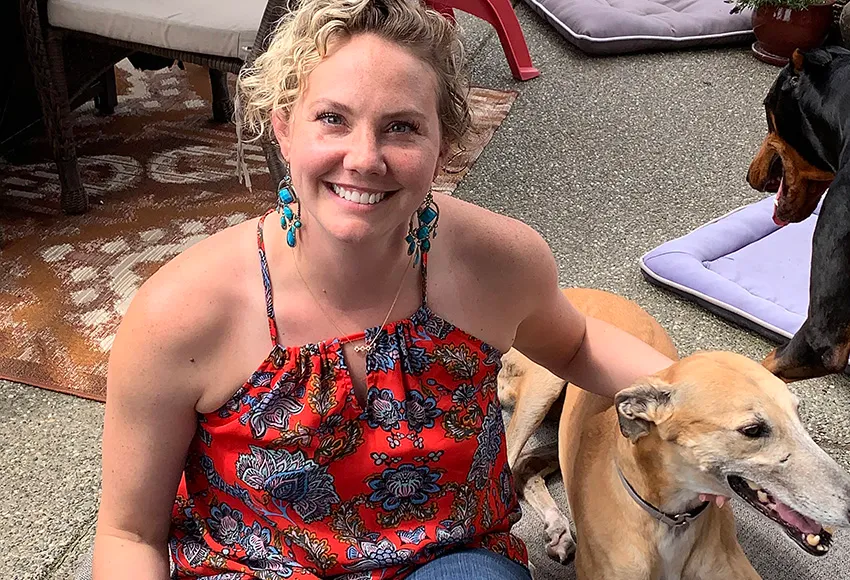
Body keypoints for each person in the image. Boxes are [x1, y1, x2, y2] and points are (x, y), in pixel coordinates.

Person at [91, 0, 681, 577]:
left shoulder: (496, 261)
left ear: (443, 146)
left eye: (401, 127)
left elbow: (576, 344)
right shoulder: (182, 312)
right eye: (332, 118)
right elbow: (128, 534)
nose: (365, 158)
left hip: (442, 557)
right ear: (283, 128)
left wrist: (711, 405)